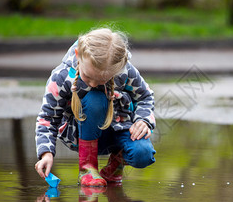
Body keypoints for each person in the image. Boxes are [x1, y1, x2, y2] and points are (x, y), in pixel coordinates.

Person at [34, 28, 156, 187]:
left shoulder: (124, 71)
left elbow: (145, 96)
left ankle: (115, 166)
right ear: (78, 55)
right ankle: (87, 168)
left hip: (117, 129)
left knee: (144, 154)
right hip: (81, 134)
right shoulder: (62, 77)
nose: (92, 84)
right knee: (95, 98)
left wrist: (144, 121)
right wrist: (46, 153)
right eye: (88, 77)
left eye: (102, 80)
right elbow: (47, 118)